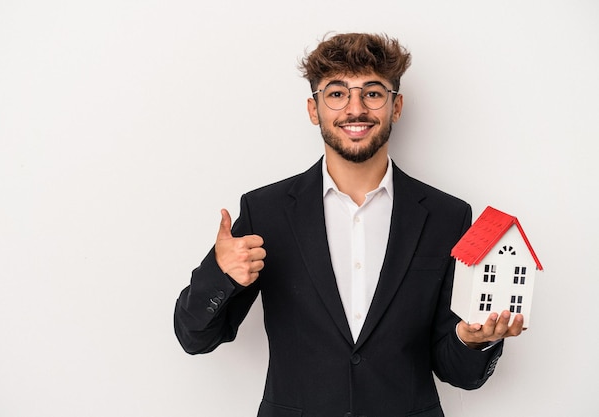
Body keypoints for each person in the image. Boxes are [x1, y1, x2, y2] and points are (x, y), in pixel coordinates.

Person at [174, 32, 524, 417]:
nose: (355, 109)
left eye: (372, 93)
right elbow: (196, 338)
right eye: (337, 94)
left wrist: (472, 341)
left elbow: (459, 372)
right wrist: (221, 275)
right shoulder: (266, 211)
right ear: (313, 109)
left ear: (396, 106)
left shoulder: (447, 216)